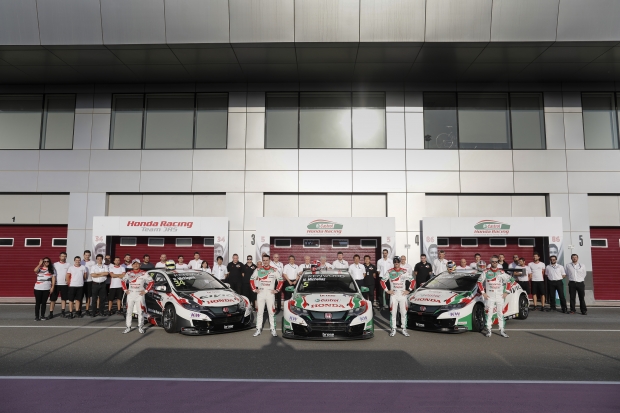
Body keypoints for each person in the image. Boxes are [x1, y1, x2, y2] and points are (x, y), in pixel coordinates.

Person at [477, 255, 511, 338]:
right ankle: (488, 330)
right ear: (490, 262)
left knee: (500, 313)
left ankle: (502, 330)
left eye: (496, 262)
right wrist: (483, 293)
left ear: (498, 262)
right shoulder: (486, 272)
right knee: (489, 314)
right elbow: (479, 282)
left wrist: (506, 292)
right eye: (493, 261)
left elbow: (509, 281)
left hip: (500, 296)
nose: (494, 263)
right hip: (490, 296)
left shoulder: (501, 272)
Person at [250, 255, 283, 337]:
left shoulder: (274, 270)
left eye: (266, 260)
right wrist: (254, 289)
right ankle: (258, 329)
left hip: (270, 293)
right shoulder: (258, 269)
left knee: (271, 312)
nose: (265, 262)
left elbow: (281, 280)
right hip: (260, 293)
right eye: (264, 260)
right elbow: (251, 279)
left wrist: (277, 290)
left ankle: (273, 329)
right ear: (262, 261)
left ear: (269, 260)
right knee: (259, 312)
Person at [381, 257, 412, 337]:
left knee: (403, 312)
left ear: (399, 262)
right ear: (393, 263)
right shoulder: (389, 271)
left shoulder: (404, 271)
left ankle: (404, 329)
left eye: (398, 262)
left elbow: (413, 281)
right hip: (393, 294)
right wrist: (387, 290)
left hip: (402, 294)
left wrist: (409, 290)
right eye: (395, 262)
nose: (396, 263)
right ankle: (393, 329)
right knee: (393, 312)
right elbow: (382, 281)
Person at [121, 259, 153, 334]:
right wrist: (125, 290)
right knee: (129, 311)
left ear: (140, 264)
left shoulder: (144, 273)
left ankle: (140, 327)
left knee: (140, 312)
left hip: (140, 294)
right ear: (132, 265)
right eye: (134, 264)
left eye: (137, 264)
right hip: (130, 294)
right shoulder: (128, 273)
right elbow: (123, 281)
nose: (135, 265)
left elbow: (151, 281)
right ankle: (128, 327)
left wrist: (146, 291)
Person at [49, 252, 70, 318]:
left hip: (64, 284)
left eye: (65, 256)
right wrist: (52, 284)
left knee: (64, 299)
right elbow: (51, 274)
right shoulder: (54, 264)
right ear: (59, 257)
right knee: (53, 299)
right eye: (62, 256)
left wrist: (68, 281)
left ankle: (63, 312)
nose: (63, 257)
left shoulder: (68, 265)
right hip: (56, 284)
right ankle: (51, 313)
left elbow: (70, 274)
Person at [81, 250, 95, 314]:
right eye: (86, 255)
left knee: (88, 296)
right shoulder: (80, 262)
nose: (87, 256)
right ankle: (79, 310)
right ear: (83, 255)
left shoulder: (93, 263)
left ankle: (87, 310)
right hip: (81, 282)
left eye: (88, 255)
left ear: (90, 255)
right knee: (80, 296)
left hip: (89, 281)